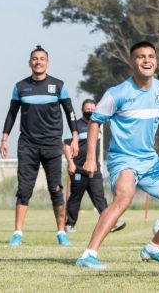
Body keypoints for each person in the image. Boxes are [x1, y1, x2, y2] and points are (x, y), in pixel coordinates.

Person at [75, 41, 159, 270]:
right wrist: (91, 157)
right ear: (132, 62)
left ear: (156, 62)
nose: (147, 60)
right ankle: (88, 254)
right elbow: (94, 124)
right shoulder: (117, 93)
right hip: (123, 159)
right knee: (123, 199)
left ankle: (153, 248)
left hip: (149, 160)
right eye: (141, 57)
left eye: (151, 56)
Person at [0, 45, 79, 247]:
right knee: (24, 190)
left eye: (42, 59)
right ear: (29, 63)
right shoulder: (20, 87)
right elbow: (11, 113)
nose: (38, 62)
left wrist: (75, 137)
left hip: (52, 145)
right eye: (35, 59)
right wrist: (4, 138)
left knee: (56, 190)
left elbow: (70, 113)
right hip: (27, 145)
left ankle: (61, 233)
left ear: (47, 62)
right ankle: (17, 233)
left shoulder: (59, 86)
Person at [63, 98, 126, 233]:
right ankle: (69, 224)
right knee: (75, 198)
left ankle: (111, 223)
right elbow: (67, 145)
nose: (90, 112)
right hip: (79, 169)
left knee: (99, 197)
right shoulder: (75, 126)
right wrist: (70, 163)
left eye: (93, 110)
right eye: (88, 110)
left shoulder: (97, 125)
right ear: (82, 110)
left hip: (94, 169)